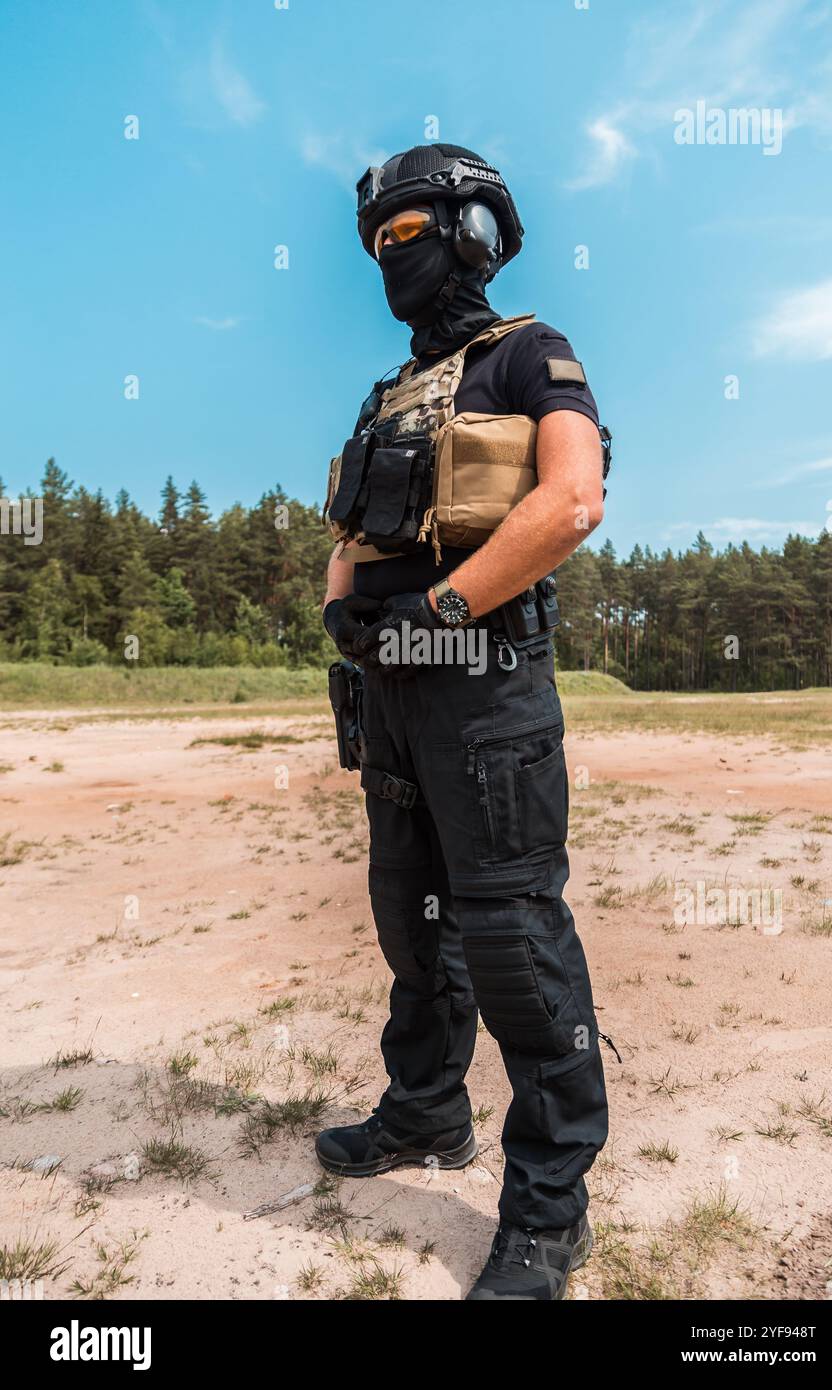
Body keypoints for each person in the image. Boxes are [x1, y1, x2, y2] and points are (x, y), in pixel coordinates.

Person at [318, 143, 613, 1301]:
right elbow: (353, 533)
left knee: (510, 939)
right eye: (380, 242)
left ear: (473, 231)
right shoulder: (387, 395)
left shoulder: (530, 355)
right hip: (388, 690)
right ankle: (425, 1110)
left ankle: (548, 1209)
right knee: (411, 918)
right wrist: (349, 622)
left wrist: (438, 611)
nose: (398, 256)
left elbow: (570, 498)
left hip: (483, 683)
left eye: (413, 233)